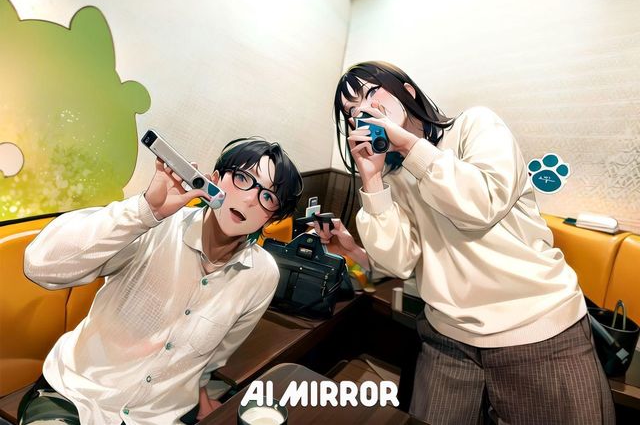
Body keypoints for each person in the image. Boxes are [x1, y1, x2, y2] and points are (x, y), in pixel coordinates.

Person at [314, 61, 615, 424]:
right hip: (447, 337)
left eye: (370, 93)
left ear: (408, 92)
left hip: (539, 328)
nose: (362, 111)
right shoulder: (392, 175)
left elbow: (481, 205)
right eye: (351, 111)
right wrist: (373, 181)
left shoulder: (475, 125)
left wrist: (410, 146)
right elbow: (398, 262)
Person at [20, 137, 303, 424]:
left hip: (159, 416)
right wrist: (146, 212)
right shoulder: (155, 225)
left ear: (271, 219)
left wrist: (202, 398)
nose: (251, 199)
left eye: (268, 197)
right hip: (75, 396)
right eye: (243, 179)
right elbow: (40, 265)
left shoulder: (262, 275)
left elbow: (211, 359)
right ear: (215, 179)